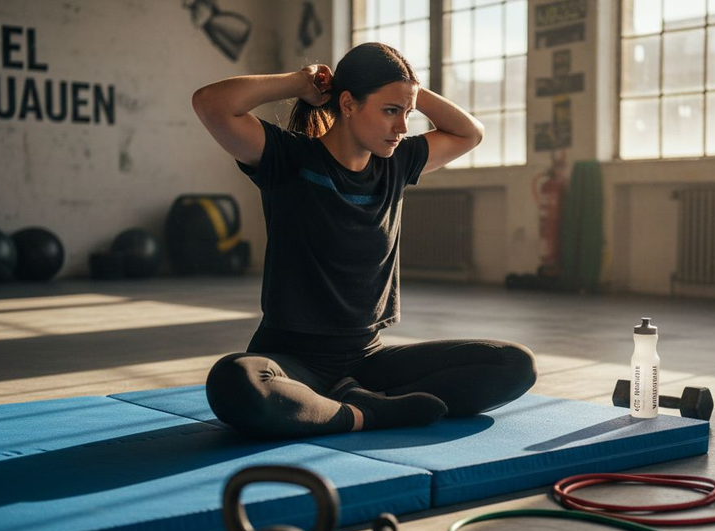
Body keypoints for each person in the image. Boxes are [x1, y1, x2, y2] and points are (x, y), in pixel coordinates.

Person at [192, 42, 536, 440]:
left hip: (367, 359)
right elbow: (210, 103)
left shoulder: (397, 164)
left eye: (407, 114)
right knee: (236, 381)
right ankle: (363, 413)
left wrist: (408, 90)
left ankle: (337, 407)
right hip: (290, 360)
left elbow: (469, 132)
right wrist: (299, 82)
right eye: (391, 111)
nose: (403, 127)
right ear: (349, 104)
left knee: (512, 365)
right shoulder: (287, 158)